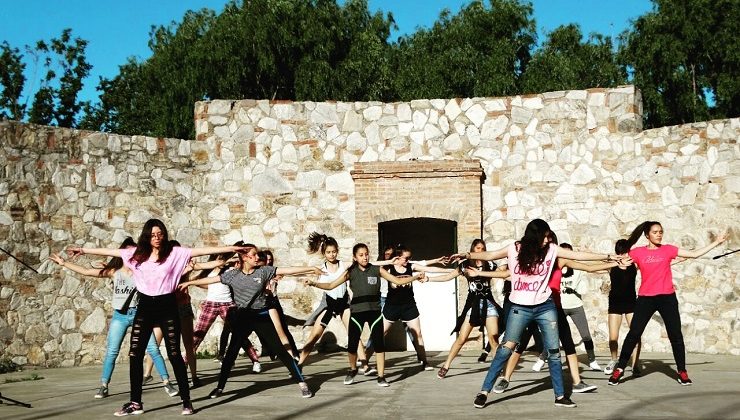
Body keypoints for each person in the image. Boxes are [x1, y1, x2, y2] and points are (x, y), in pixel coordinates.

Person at [65, 218, 247, 416]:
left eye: (160, 234)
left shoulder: (175, 253)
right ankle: (135, 402)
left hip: (167, 306)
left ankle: (186, 401)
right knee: (134, 354)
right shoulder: (137, 254)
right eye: (152, 234)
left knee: (174, 354)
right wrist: (82, 251)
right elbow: (111, 251)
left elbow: (201, 250)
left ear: (164, 234)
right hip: (144, 307)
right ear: (146, 236)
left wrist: (233, 248)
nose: (157, 238)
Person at [453, 219, 620, 409]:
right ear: (535, 235)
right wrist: (466, 254)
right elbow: (490, 254)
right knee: (506, 349)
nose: (548, 240)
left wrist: (610, 256)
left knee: (554, 352)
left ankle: (560, 396)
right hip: (519, 308)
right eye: (545, 236)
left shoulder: (552, 250)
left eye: (549, 236)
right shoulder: (514, 248)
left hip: (545, 307)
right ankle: (484, 391)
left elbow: (579, 255)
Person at [178, 243, 322, 399]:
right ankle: (219, 388)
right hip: (242, 317)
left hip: (261, 316)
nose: (257, 257)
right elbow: (213, 279)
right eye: (253, 255)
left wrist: (310, 268)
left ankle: (302, 383)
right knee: (230, 354)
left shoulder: (264, 271)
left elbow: (287, 270)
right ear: (244, 257)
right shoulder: (232, 275)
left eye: (257, 254)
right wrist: (189, 282)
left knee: (280, 350)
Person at [489, 239, 626, 395]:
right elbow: (510, 273)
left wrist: (613, 263)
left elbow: (587, 267)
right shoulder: (536, 263)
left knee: (568, 345)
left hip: (555, 308)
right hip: (535, 307)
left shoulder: (560, 262)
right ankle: (505, 378)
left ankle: (577, 382)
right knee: (520, 345)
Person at [49, 238, 178, 400]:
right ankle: (104, 385)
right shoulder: (114, 272)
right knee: (112, 351)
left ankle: (167, 382)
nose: (132, 256)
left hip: (140, 315)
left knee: (153, 349)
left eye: (135, 252)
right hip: (120, 316)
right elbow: (87, 272)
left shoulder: (142, 271)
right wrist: (64, 263)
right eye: (128, 252)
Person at [608, 222, 728, 386]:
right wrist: (618, 264)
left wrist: (716, 242)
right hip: (645, 299)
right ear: (647, 235)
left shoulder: (668, 249)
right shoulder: (638, 252)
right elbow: (620, 261)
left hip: (667, 298)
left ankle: (682, 371)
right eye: (655, 232)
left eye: (661, 232)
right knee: (633, 334)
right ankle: (620, 369)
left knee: (676, 335)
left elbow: (694, 254)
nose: (659, 234)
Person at [305, 243, 427, 387]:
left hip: (374, 313)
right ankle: (352, 370)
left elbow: (397, 281)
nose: (365, 257)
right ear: (355, 257)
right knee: (352, 346)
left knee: (379, 345)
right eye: (361, 255)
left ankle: (381, 377)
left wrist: (415, 277)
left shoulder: (377, 270)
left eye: (366, 254)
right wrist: (313, 283)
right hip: (357, 313)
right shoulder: (351, 272)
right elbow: (331, 285)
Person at [364, 244, 454, 371]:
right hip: (392, 305)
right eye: (405, 258)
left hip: (409, 305)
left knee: (418, 334)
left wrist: (451, 271)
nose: (408, 260)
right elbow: (370, 265)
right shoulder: (388, 268)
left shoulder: (411, 266)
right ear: (398, 257)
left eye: (409, 257)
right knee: (380, 333)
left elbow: (431, 269)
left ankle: (424, 362)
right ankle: (364, 361)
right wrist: (389, 261)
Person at [298, 233, 370, 370]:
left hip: (344, 304)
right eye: (329, 252)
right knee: (314, 335)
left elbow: (370, 264)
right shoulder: (321, 269)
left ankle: (365, 364)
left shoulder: (344, 265)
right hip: (328, 305)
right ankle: (299, 364)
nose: (332, 255)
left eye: (334, 252)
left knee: (354, 333)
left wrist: (390, 262)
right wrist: (307, 281)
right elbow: (299, 273)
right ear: (324, 253)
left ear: (337, 251)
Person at [435, 239, 503, 379]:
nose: (481, 250)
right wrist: (429, 280)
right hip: (473, 305)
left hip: (488, 304)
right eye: (478, 248)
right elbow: (447, 276)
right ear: (473, 249)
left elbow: (503, 274)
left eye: (483, 248)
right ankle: (446, 365)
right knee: (462, 338)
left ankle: (498, 369)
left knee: (493, 339)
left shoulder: (489, 264)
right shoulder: (465, 265)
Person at [604, 239, 640, 375]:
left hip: (631, 304)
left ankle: (635, 364)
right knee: (613, 337)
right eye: (621, 253)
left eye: (625, 252)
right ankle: (614, 360)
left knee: (636, 335)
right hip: (615, 304)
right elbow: (593, 266)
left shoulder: (634, 265)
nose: (623, 255)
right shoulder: (611, 265)